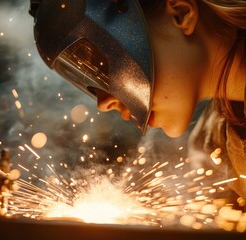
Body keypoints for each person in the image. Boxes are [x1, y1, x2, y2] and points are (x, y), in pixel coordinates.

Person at [30, 0, 245, 196]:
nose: (103, 104)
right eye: (91, 75)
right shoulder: (215, 154)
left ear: (181, 14)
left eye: (103, 65)